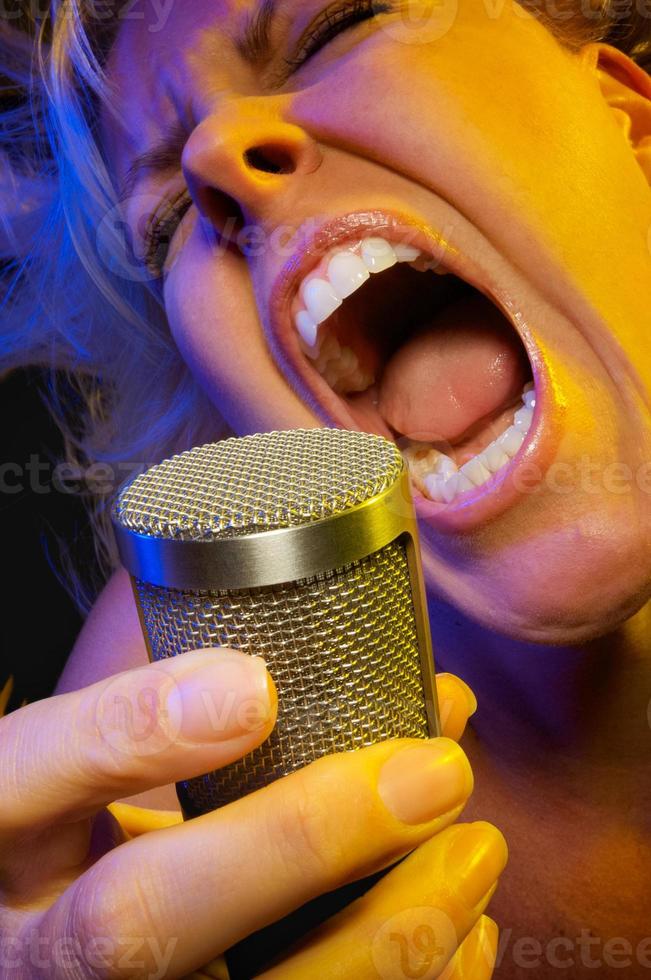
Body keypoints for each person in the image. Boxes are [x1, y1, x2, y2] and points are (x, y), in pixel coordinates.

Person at [1, 0, 649, 977]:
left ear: (629, 122)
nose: (215, 153)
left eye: (334, 29)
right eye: (167, 219)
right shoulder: (164, 687)